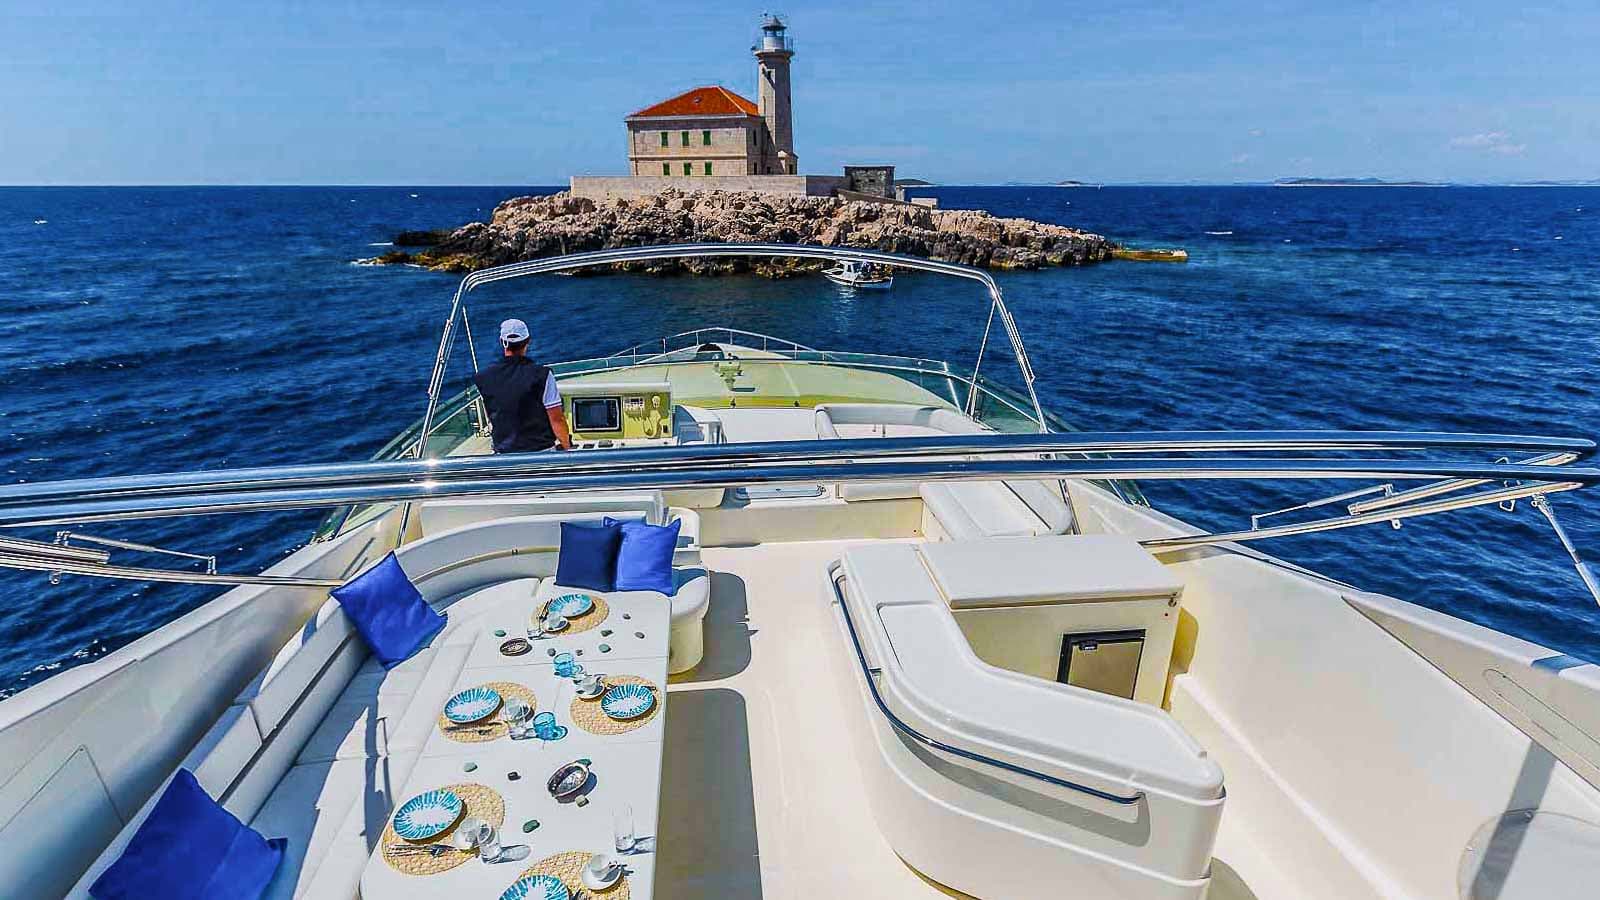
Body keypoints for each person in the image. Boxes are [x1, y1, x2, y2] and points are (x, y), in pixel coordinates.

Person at [473, 318, 573, 453]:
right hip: (541, 453)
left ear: (503, 343)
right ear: (528, 341)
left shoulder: (483, 378)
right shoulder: (543, 375)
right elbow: (557, 419)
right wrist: (567, 448)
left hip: (505, 457)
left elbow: (493, 415)